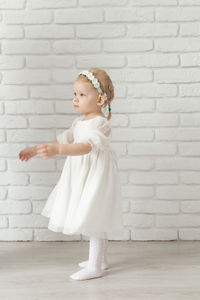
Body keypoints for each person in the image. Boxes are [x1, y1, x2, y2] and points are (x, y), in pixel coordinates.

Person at [18, 67, 124, 281]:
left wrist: (58, 151)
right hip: (79, 176)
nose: (75, 99)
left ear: (100, 100)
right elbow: (61, 140)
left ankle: (95, 266)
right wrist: (36, 149)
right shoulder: (78, 123)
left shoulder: (100, 124)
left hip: (96, 176)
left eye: (82, 94)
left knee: (94, 214)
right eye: (74, 94)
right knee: (93, 214)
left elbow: (86, 147)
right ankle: (100, 260)